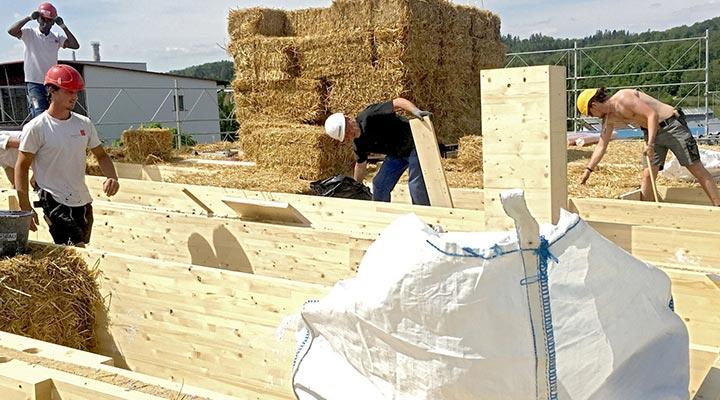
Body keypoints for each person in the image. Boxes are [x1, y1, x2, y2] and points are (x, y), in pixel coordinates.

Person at [15, 64, 119, 247]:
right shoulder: (37, 127)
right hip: (53, 199)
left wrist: (112, 176)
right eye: (69, 91)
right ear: (52, 91)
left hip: (82, 199)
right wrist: (25, 206)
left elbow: (101, 155)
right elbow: (22, 166)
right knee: (75, 249)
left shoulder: (84, 124)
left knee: (80, 251)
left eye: (76, 92)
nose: (75, 96)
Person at [576, 87, 720, 206]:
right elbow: (601, 145)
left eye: (591, 113)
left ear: (594, 105)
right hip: (651, 132)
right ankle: (648, 211)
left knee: (695, 168)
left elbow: (652, 115)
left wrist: (650, 144)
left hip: (672, 127)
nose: (594, 116)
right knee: (647, 174)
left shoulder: (623, 98)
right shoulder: (609, 118)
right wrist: (588, 171)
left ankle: (717, 206)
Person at [324, 98, 431, 205]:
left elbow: (398, 102)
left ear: (348, 118)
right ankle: (382, 215)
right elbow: (360, 165)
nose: (350, 132)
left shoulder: (369, 115)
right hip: (396, 154)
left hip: (414, 143)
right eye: (346, 134)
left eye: (348, 128)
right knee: (379, 184)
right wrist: (357, 187)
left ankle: (424, 217)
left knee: (416, 185)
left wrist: (416, 111)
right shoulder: (358, 143)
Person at [7, 2, 80, 118]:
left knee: (54, 114)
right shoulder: (29, 33)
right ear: (38, 19)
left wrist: (63, 26)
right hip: (34, 82)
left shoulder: (56, 37)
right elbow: (11, 31)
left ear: (53, 22)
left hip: (51, 83)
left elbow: (75, 45)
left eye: (49, 20)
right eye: (43, 19)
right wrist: (29, 18)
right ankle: (39, 136)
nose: (46, 23)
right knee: (39, 114)